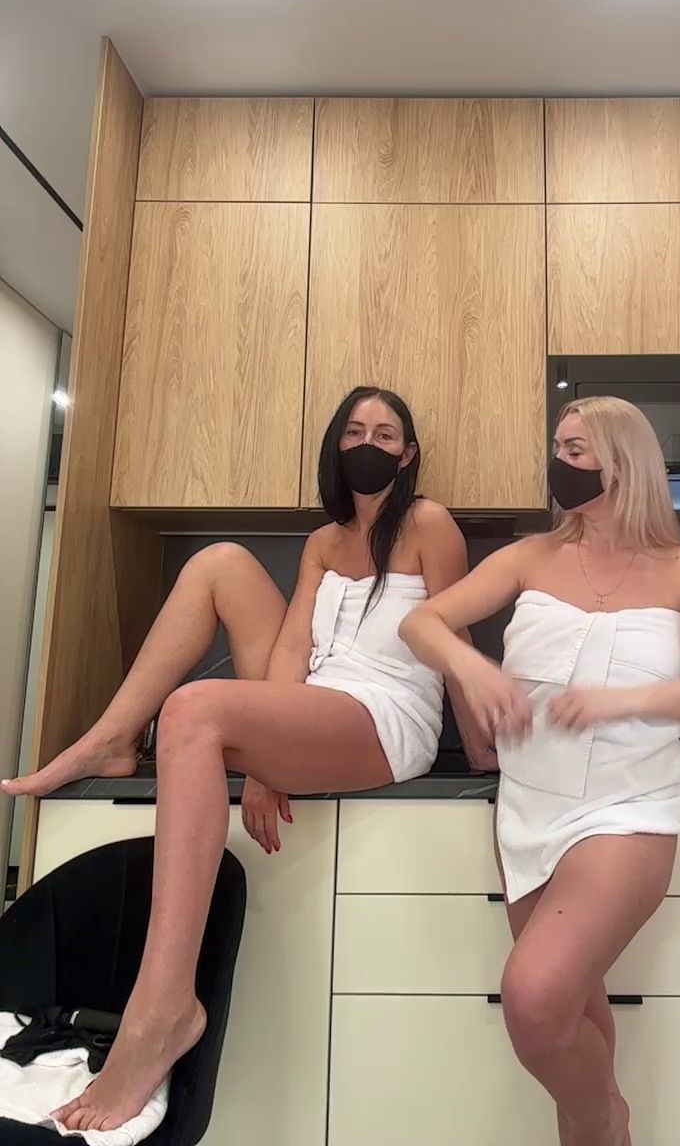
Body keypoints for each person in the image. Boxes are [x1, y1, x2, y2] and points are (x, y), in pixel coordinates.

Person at [2, 385, 475, 1132]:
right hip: (313, 696)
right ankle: (111, 738)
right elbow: (291, 648)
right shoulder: (323, 543)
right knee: (219, 562)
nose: (369, 444)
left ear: (408, 454)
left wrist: (485, 752)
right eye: (355, 431)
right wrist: (263, 759)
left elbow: (457, 637)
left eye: (386, 435)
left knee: (194, 708)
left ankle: (164, 1006)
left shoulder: (427, 523)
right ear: (335, 445)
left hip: (386, 714)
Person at [401, 396, 680, 1146]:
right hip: (527, 809)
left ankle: (607, 1121)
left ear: (623, 463)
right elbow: (421, 621)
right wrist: (473, 670)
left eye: (576, 450)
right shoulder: (529, 556)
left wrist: (625, 701)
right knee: (569, 1015)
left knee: (534, 999)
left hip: (628, 807)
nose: (559, 463)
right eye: (558, 448)